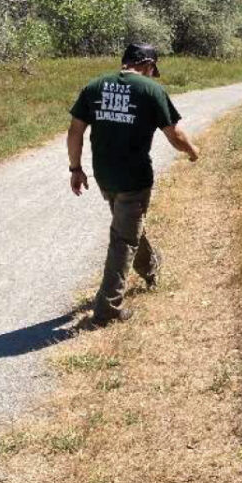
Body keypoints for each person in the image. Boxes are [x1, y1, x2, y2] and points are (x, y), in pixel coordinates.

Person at [67, 43, 200, 326]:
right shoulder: (150, 90)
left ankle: (151, 268)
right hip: (135, 179)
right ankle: (108, 310)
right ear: (147, 63)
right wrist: (192, 151)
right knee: (123, 240)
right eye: (153, 69)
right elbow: (174, 134)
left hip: (105, 176)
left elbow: (75, 131)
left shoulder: (94, 86)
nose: (152, 74)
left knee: (128, 227)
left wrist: (76, 168)